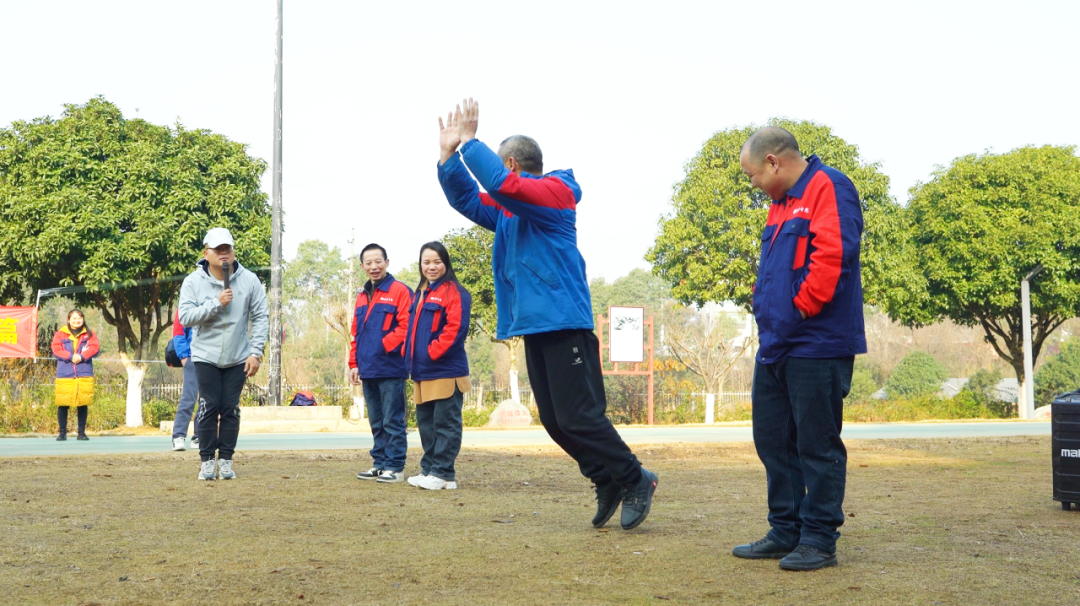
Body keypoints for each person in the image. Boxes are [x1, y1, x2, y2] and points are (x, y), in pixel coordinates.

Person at [436, 99, 657, 530]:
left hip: (564, 323)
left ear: (512, 164)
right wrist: (449, 157)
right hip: (534, 326)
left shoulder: (556, 193)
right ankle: (605, 480)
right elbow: (468, 198)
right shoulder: (510, 210)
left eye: (499, 165)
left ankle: (635, 479)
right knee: (556, 422)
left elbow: (501, 184)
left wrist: (471, 143)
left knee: (580, 417)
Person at [732, 126, 866, 571]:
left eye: (752, 175)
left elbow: (832, 258)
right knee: (772, 439)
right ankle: (785, 530)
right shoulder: (781, 203)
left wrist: (796, 311)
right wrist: (768, 315)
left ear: (773, 162)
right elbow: (773, 270)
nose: (753, 183)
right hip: (776, 343)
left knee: (816, 444)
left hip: (817, 343)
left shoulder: (830, 186)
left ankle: (819, 539)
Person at [178, 228, 268, 481]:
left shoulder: (249, 280)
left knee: (230, 408)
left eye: (227, 248)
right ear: (206, 253)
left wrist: (255, 352)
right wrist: (216, 303)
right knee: (208, 406)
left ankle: (226, 459)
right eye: (217, 249)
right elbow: (185, 317)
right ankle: (207, 460)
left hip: (239, 356)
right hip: (205, 355)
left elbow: (260, 317)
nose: (223, 253)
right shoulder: (193, 282)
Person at [404, 242, 472, 490]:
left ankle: (444, 474)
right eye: (426, 262)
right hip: (422, 371)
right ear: (420, 265)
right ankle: (429, 470)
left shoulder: (455, 292)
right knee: (427, 425)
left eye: (437, 261)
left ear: (446, 263)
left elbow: (455, 330)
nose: (431, 267)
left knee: (445, 424)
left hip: (445, 370)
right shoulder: (421, 292)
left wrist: (431, 353)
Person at [348, 243, 413, 484]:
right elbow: (356, 333)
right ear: (362, 266)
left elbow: (407, 326)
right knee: (376, 421)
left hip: (391, 368)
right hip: (367, 369)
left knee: (393, 420)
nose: (374, 266)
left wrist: (383, 346)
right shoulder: (361, 296)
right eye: (369, 263)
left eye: (378, 261)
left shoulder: (400, 291)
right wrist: (354, 363)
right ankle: (380, 463)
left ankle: (395, 467)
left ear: (387, 262)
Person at [51, 309, 100, 441]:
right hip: (65, 374)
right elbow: (56, 349)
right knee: (63, 404)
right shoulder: (60, 334)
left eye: (79, 318)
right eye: (74, 318)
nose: (77, 321)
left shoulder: (89, 334)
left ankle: (81, 433)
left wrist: (82, 356)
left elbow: (94, 348)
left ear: (83, 319)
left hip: (84, 373)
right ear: (69, 320)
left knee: (83, 404)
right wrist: (70, 356)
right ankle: (62, 433)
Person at [170, 310, 199, 451]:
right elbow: (178, 332)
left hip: (211, 358)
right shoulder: (185, 305)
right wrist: (184, 356)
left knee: (208, 400)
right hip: (191, 357)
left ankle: (199, 436)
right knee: (189, 398)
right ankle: (178, 436)